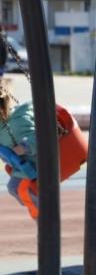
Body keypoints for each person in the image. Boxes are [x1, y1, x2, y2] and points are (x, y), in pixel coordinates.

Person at [0, 84, 38, 218]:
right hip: (23, 167)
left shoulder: (19, 119)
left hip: (36, 164)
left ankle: (44, 220)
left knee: (22, 190)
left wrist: (25, 146)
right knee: (14, 188)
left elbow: (41, 136)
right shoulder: (3, 126)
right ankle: (41, 218)